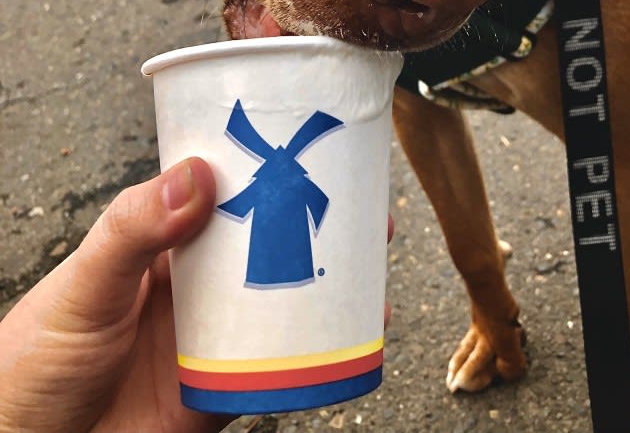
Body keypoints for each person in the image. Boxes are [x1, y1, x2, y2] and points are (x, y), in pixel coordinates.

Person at [0, 158, 394, 433]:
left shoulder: (272, 183)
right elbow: (288, 208)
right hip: (279, 270)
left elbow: (240, 208)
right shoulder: (290, 183)